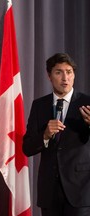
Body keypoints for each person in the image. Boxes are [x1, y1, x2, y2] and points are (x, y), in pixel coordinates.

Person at [23, 53, 90, 216]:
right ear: (49, 76)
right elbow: (27, 148)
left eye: (69, 72)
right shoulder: (39, 105)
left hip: (79, 191)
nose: (65, 78)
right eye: (59, 72)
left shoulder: (87, 103)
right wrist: (45, 135)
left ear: (74, 75)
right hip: (49, 192)